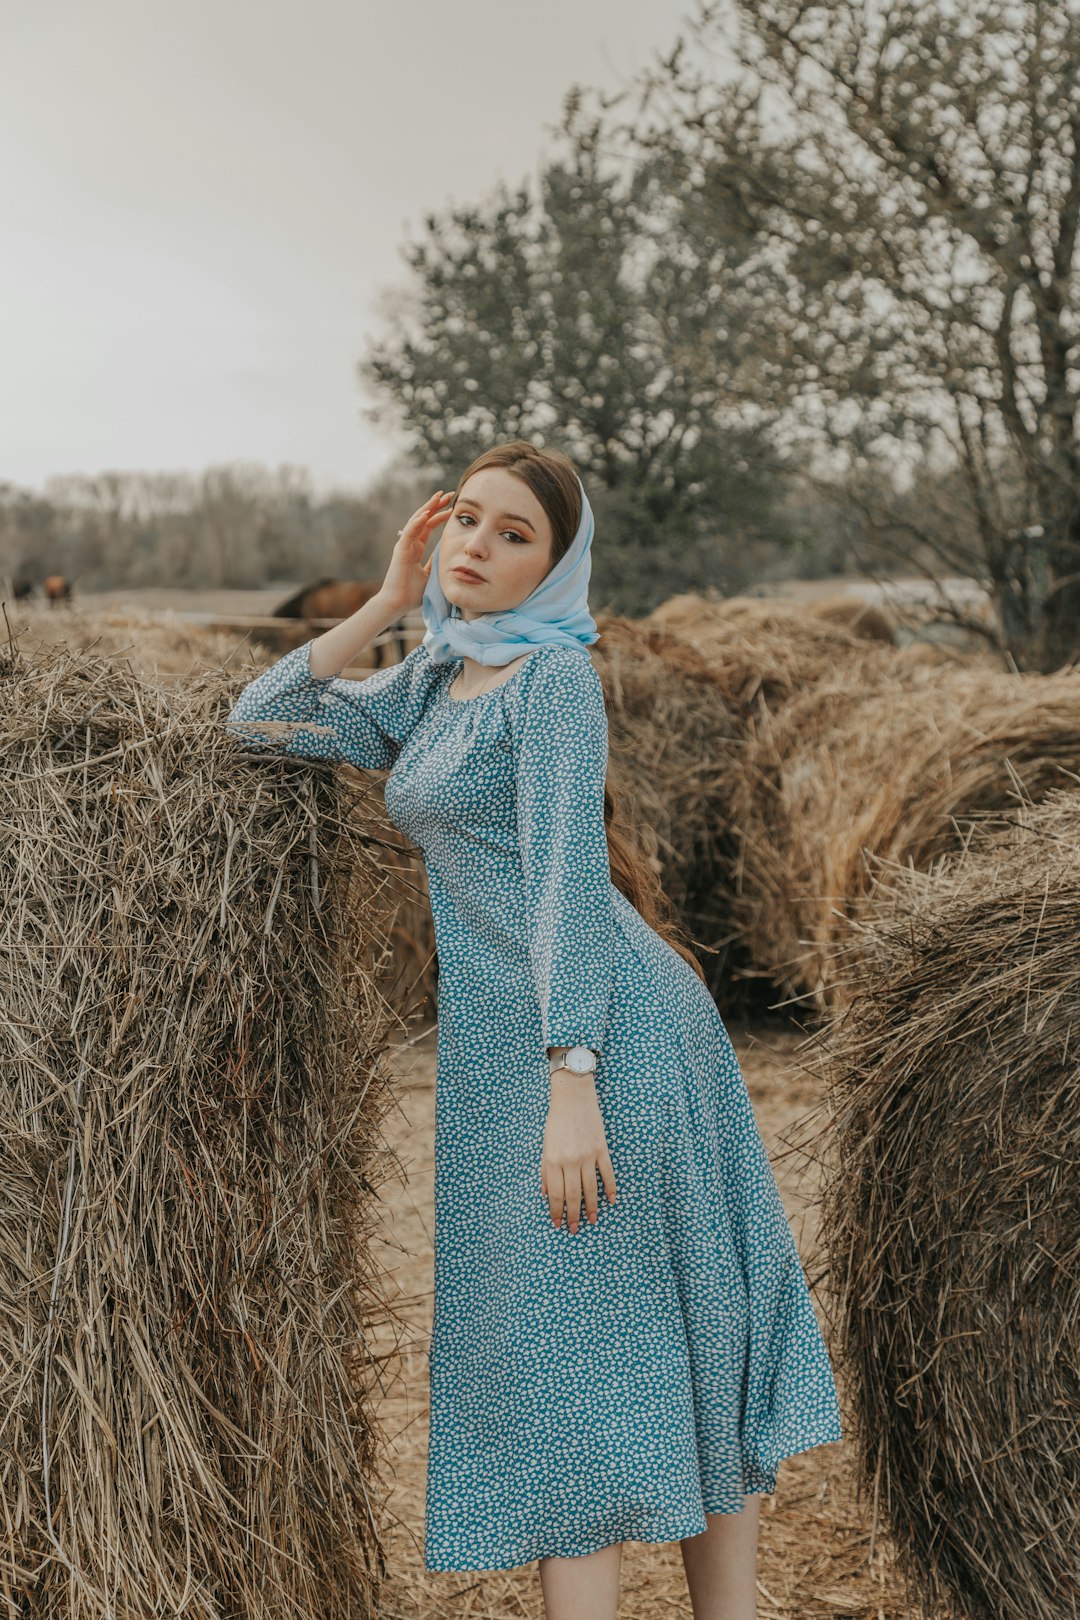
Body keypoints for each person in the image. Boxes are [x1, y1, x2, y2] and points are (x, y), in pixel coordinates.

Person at [226, 440, 842, 1620]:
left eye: (518, 537)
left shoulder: (551, 679)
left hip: (603, 1036)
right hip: (511, 1056)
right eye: (468, 518)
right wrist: (390, 602)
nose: (480, 546)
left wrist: (574, 1076)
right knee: (580, 1346)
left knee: (643, 1334)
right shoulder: (435, 676)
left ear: (558, 567)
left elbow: (565, 877)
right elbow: (259, 720)